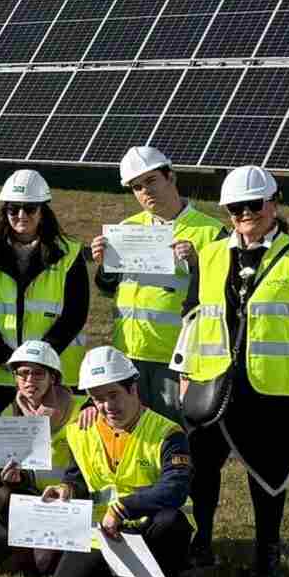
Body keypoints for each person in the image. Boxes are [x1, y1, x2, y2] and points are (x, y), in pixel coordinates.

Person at [176, 165, 289, 577]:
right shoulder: (211, 255)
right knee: (202, 470)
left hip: (271, 390)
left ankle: (267, 555)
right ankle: (203, 544)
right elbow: (193, 319)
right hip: (211, 386)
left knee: (268, 476)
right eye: (236, 208)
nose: (246, 214)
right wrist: (183, 376)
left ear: (274, 203)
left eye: (255, 204)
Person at [44, 347, 194, 577]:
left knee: (171, 522)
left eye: (114, 395)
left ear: (133, 389)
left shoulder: (167, 432)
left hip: (152, 526)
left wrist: (123, 508)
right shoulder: (81, 432)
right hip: (103, 531)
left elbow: (175, 488)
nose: (107, 406)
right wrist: (66, 489)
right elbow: (77, 477)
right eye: (98, 399)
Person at [86, 146, 224, 420]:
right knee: (136, 440)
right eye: (137, 187)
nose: (145, 191)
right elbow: (108, 288)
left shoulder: (210, 231)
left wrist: (197, 265)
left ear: (171, 177)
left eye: (151, 181)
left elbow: (223, 293)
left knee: (178, 436)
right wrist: (104, 266)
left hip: (176, 357)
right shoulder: (127, 227)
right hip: (129, 354)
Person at [0, 169, 90, 416]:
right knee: (5, 447)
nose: (21, 215)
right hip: (1, 372)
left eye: (30, 208)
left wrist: (41, 358)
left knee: (55, 447)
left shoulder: (70, 253)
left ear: (43, 211)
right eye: (13, 209)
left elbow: (76, 312)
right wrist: (1, 355)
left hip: (54, 370)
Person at [0, 341, 83, 577]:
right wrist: (13, 480)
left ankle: (34, 552)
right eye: (23, 373)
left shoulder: (81, 410)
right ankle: (22, 547)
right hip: (32, 496)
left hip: (68, 500)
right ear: (15, 378)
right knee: (3, 496)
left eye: (39, 373)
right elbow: (5, 468)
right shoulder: (7, 414)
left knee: (43, 566)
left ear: (53, 377)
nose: (30, 380)